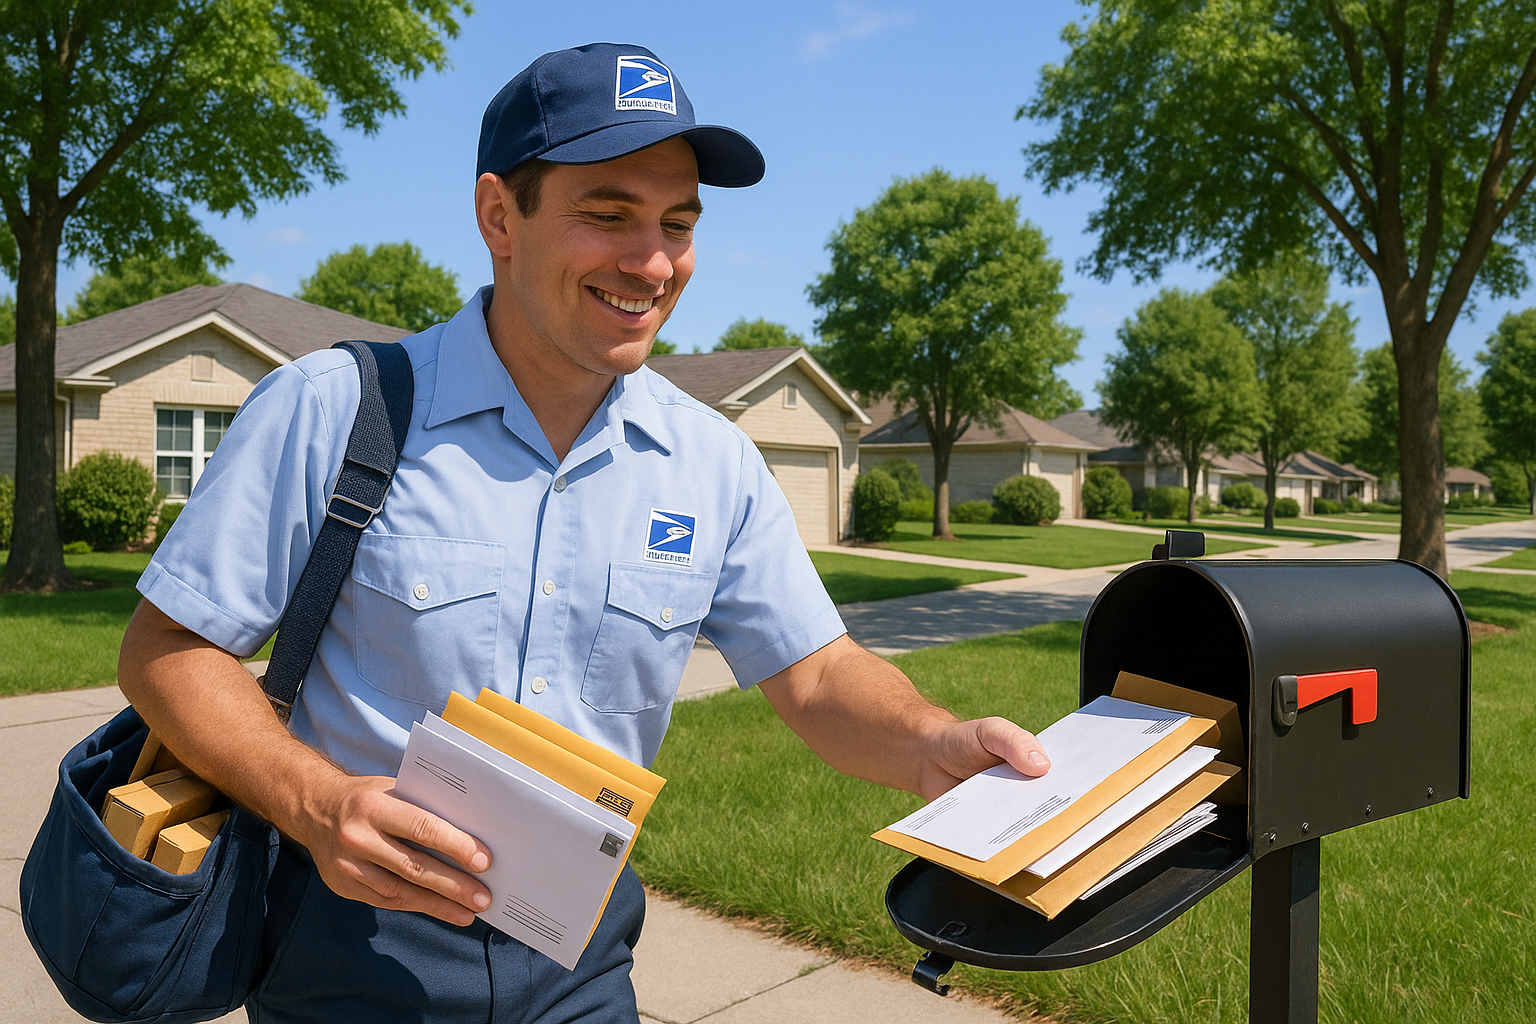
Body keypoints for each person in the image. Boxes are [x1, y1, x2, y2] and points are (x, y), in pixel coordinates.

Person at [117, 42, 1050, 1024]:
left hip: (582, 969)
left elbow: (816, 674)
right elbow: (168, 651)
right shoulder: (334, 411)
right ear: (497, 216)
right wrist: (314, 802)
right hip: (348, 958)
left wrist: (933, 743)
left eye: (677, 224)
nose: (652, 262)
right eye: (607, 216)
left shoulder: (711, 462)